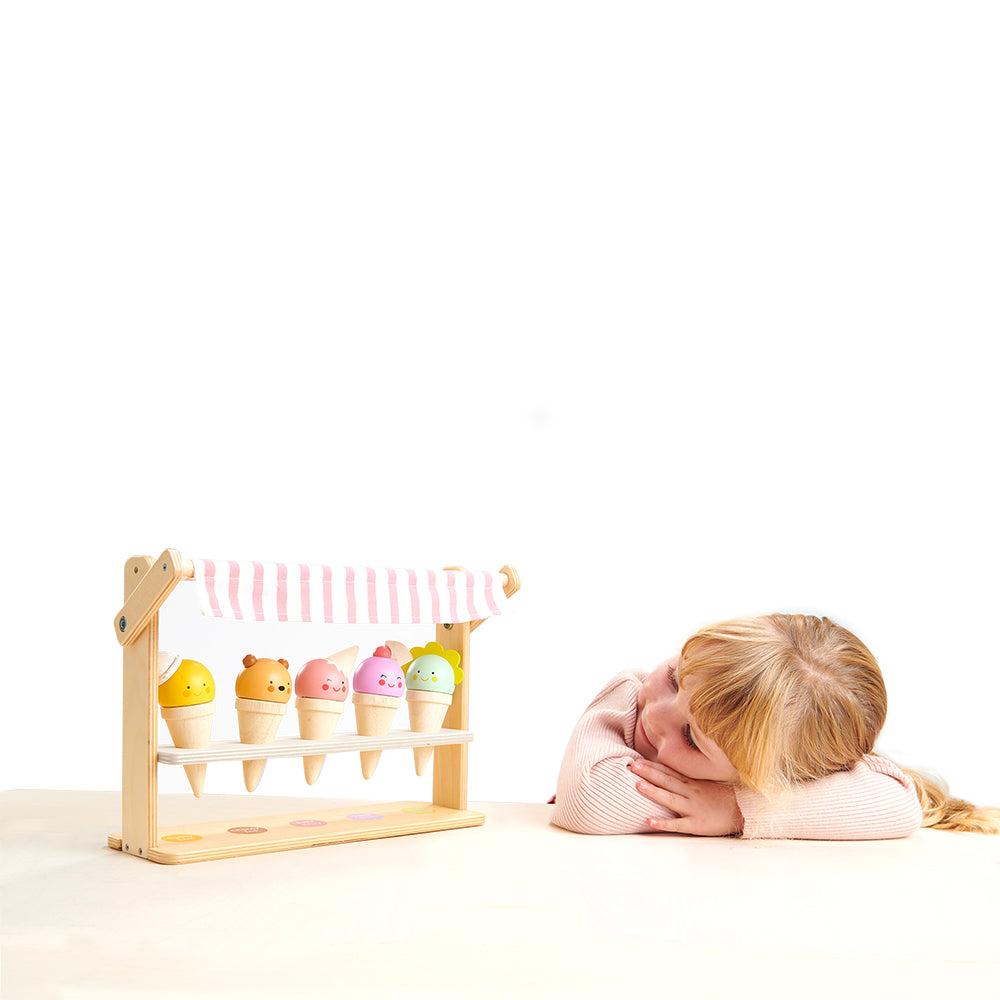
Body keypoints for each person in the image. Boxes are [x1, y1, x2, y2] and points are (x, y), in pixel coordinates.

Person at [551, 614, 1000, 839]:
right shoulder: (629, 703)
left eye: (692, 737)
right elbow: (588, 802)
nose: (654, 713)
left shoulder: (750, 787)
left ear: (765, 779)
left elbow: (899, 803)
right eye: (673, 677)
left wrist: (736, 808)